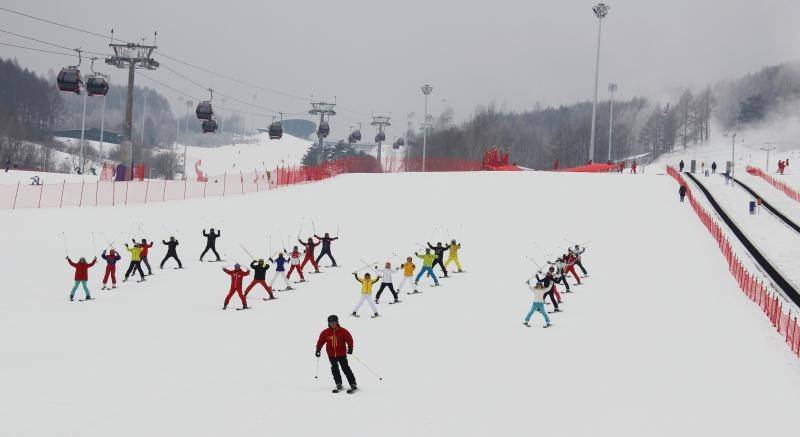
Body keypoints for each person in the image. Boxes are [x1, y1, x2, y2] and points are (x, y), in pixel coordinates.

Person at [315, 315, 357, 393]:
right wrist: (318, 350)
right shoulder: (325, 332)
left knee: (345, 368)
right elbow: (320, 341)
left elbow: (349, 339)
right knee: (334, 369)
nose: (333, 324)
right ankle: (338, 383)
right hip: (331, 354)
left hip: (341, 354)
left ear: (337, 322)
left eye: (334, 322)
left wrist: (350, 347)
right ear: (329, 323)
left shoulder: (343, 331)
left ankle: (353, 384)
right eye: (331, 322)